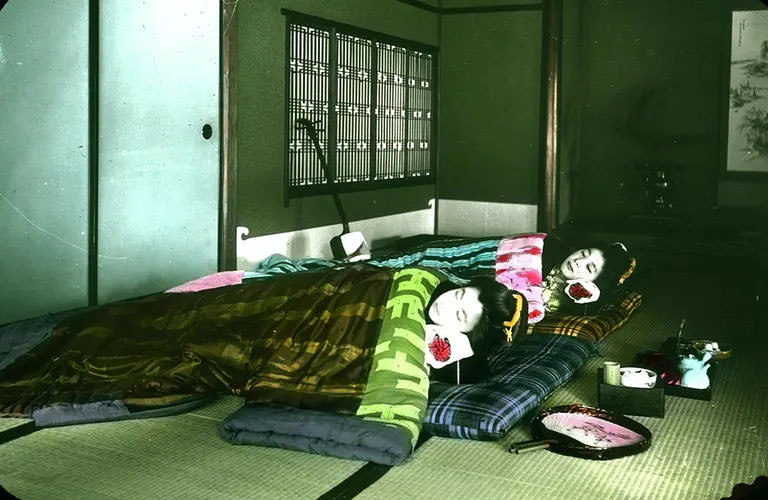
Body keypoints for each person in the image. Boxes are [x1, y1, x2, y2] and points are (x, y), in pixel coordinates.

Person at [424, 277, 527, 384]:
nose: (445, 304)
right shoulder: (434, 284)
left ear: (470, 333)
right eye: (458, 294)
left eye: (459, 315)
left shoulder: (456, 369)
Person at [541, 237, 636, 315]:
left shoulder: (573, 303)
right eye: (583, 254)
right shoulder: (548, 247)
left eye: (589, 268)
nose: (578, 261)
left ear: (593, 282)